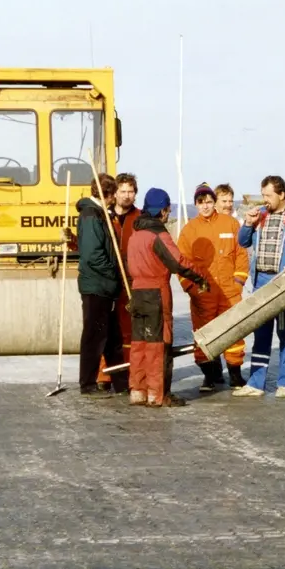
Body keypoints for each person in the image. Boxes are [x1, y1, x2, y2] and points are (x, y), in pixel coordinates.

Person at [232, 175, 285, 399]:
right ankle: (256, 383)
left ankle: (284, 383)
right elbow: (242, 241)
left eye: (268, 195)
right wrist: (248, 224)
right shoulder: (260, 214)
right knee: (261, 333)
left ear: (282, 195)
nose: (265, 199)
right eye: (263, 195)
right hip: (261, 281)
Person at [126, 188, 210, 408]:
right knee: (159, 344)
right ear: (161, 210)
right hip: (156, 292)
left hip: (137, 292)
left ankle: (138, 390)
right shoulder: (158, 235)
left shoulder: (135, 235)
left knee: (139, 344)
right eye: (167, 210)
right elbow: (178, 262)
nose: (167, 214)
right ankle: (158, 394)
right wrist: (200, 276)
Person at [177, 182, 249, 391]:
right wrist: (192, 289)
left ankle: (235, 375)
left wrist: (238, 282)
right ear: (196, 205)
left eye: (209, 201)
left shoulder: (230, 224)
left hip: (229, 292)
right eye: (201, 202)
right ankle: (210, 376)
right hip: (203, 293)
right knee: (204, 336)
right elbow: (182, 263)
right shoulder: (189, 231)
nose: (206, 206)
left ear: (214, 203)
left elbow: (241, 255)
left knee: (234, 332)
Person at [76, 172, 129, 398]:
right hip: (96, 286)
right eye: (114, 194)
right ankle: (87, 383)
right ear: (107, 194)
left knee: (112, 336)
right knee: (94, 336)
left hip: (106, 287)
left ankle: (121, 382)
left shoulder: (101, 214)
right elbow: (93, 255)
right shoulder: (91, 215)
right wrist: (114, 273)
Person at [96, 173, 141, 390]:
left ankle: (128, 372)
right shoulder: (103, 216)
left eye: (130, 191)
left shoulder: (140, 219)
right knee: (106, 329)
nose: (126, 195)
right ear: (115, 193)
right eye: (122, 191)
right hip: (108, 280)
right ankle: (104, 375)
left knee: (129, 331)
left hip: (132, 281)